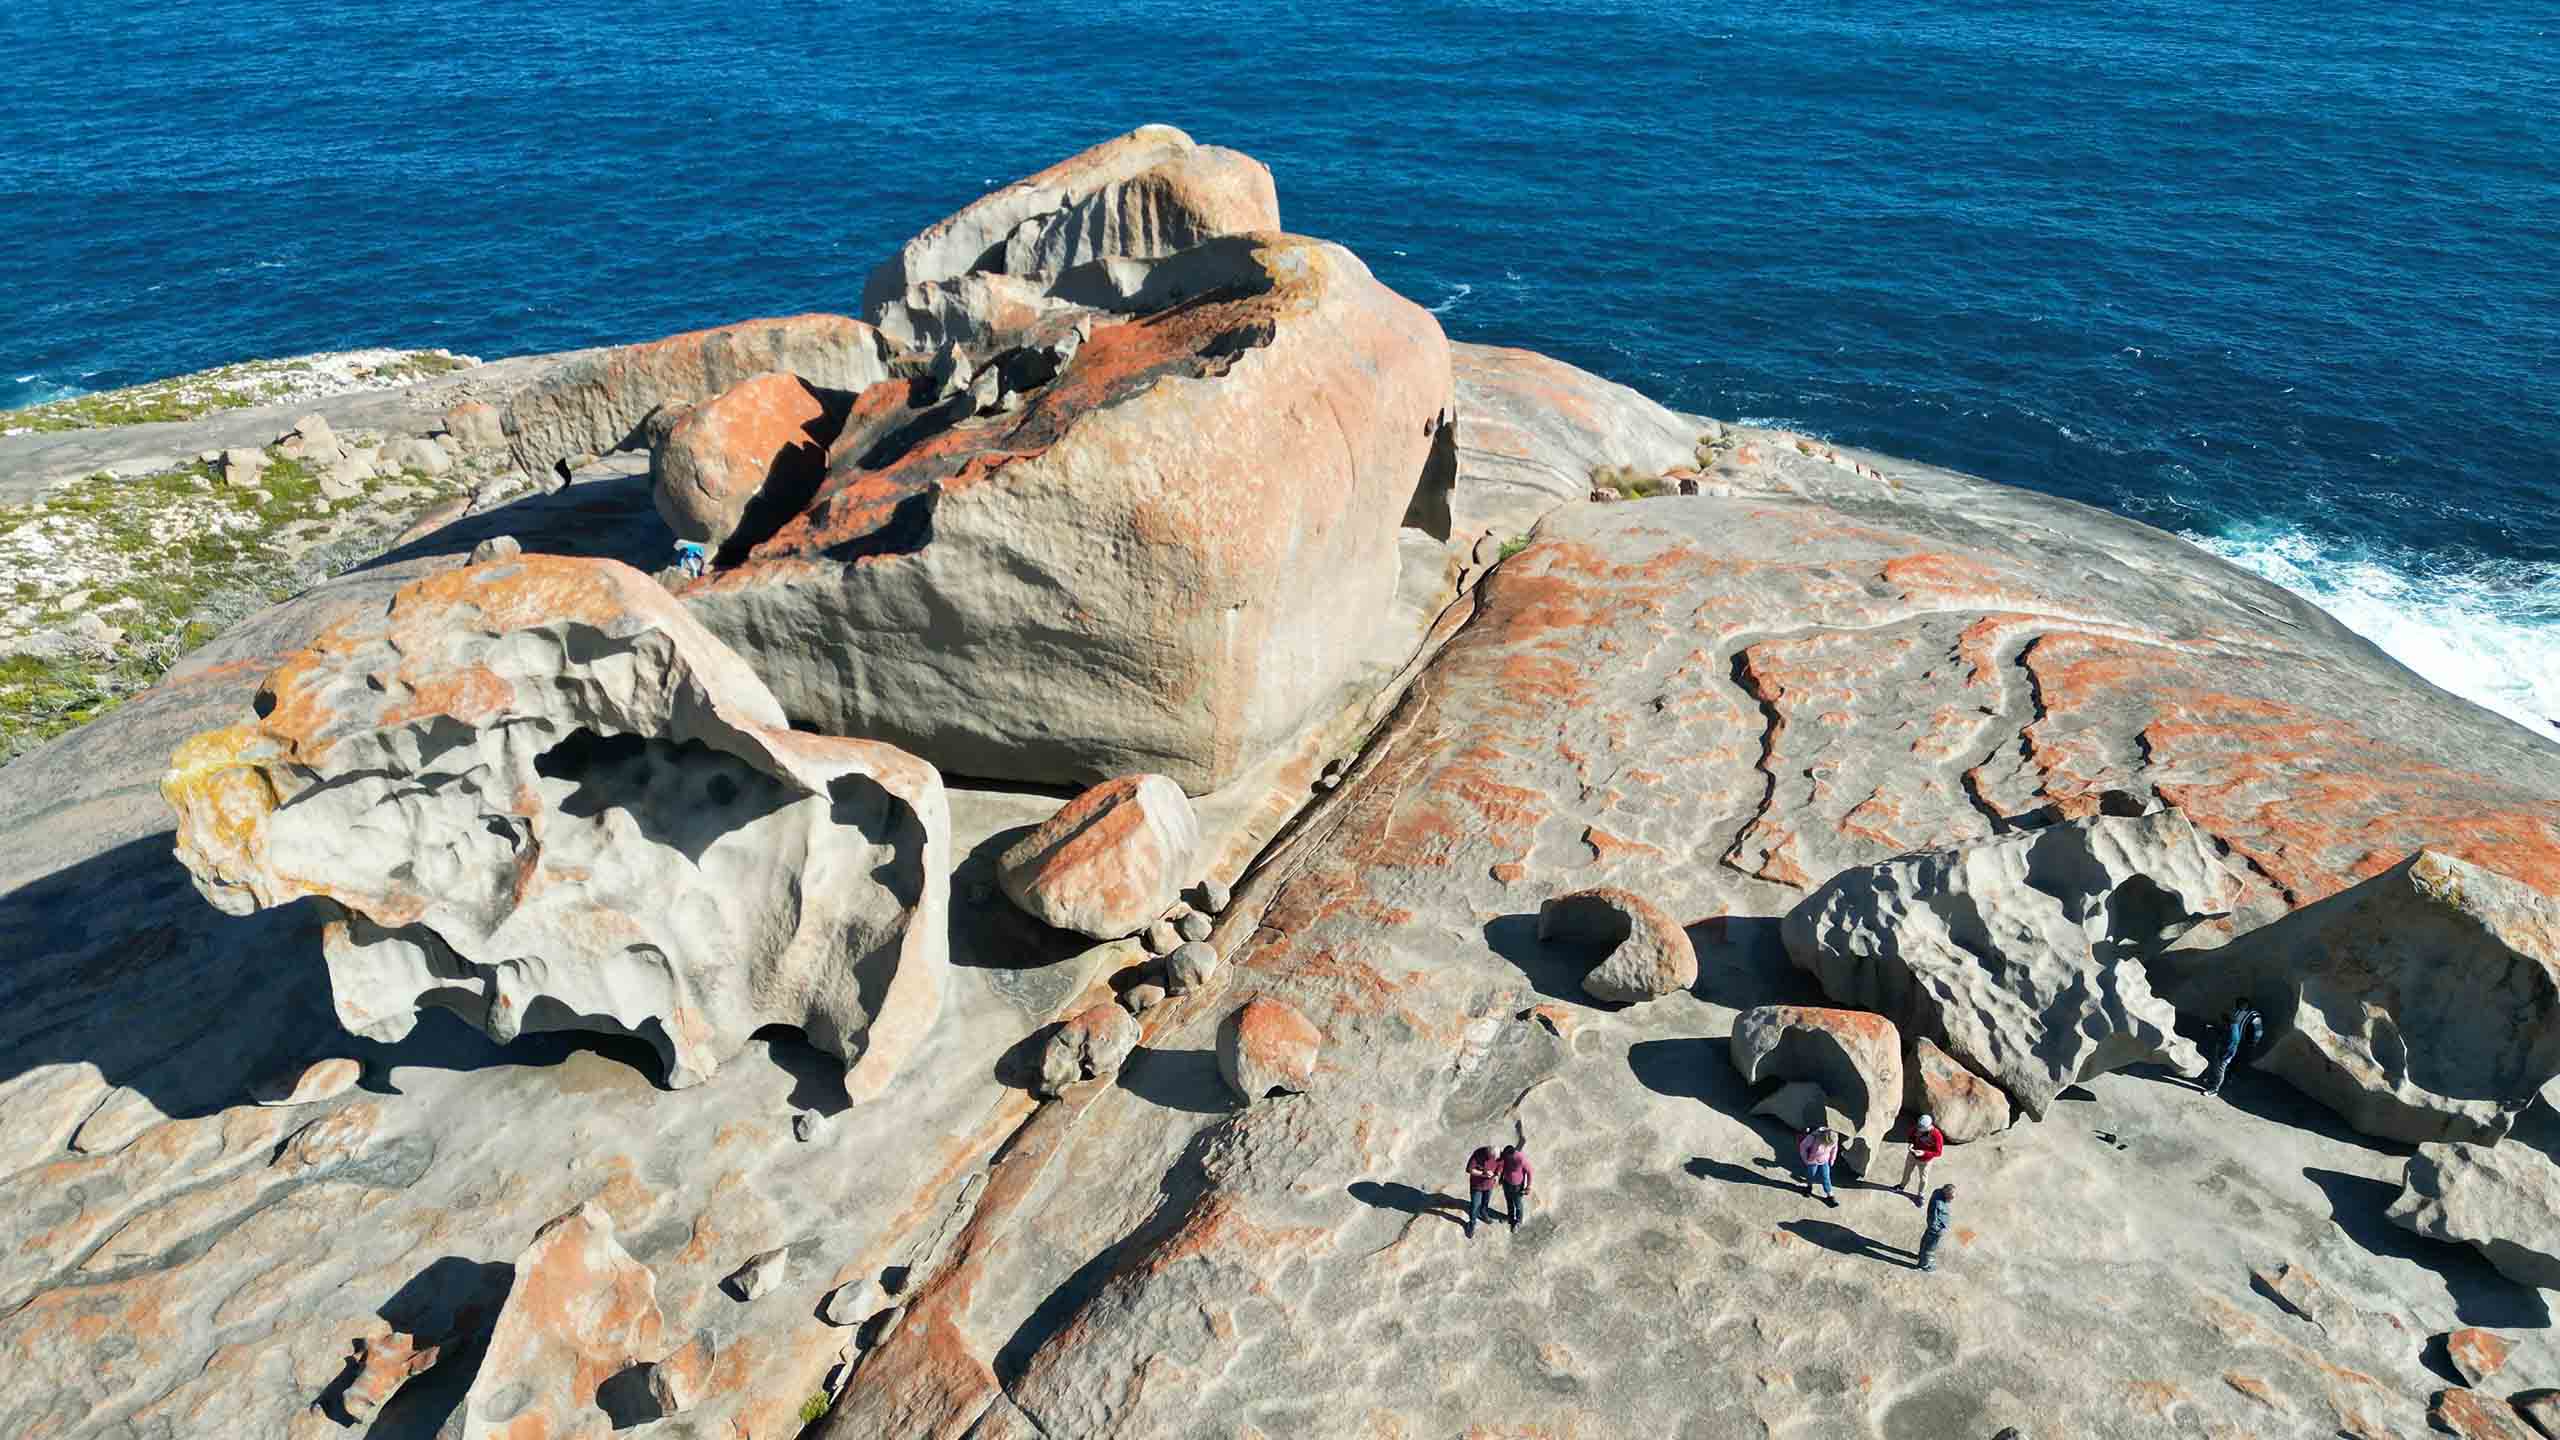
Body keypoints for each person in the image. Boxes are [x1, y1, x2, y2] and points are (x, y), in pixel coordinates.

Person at [2206, 1000, 2264, 1095]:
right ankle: (2220, 1081)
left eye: (2241, 1005)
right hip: (2231, 1040)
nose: (2239, 1006)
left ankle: (2223, 1083)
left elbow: (2258, 1031)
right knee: (2223, 1064)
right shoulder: (2237, 1011)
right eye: (2238, 1005)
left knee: (2229, 1063)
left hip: (2240, 1042)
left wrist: (2252, 1043)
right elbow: (2229, 1024)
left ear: (2247, 1005)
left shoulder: (2254, 1016)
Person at [1899, 1114, 1945, 1204]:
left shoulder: (1937, 1135)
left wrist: (1924, 1153)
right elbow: (1911, 1136)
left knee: (1923, 1179)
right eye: (1918, 1127)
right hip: (1912, 1155)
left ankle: (1920, 1195)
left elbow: (1938, 1152)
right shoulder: (1916, 1128)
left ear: (1929, 1126)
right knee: (1906, 1172)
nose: (1919, 1130)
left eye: (1921, 1128)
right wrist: (1911, 1144)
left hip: (1925, 1161)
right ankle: (1901, 1186)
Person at [1917, 1183, 1957, 1271]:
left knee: (1925, 1240)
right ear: (1945, 1192)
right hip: (1935, 1229)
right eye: (1950, 1196)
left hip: (1933, 1227)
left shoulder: (1938, 1191)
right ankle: (1924, 1265)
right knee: (1930, 1247)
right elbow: (1933, 1218)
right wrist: (1937, 1230)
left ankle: (1921, 1255)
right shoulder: (1937, 1204)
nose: (1952, 1199)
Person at [1798, 1126, 1840, 1207]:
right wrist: (1805, 1159)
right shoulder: (1813, 1137)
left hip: (1825, 1160)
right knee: (1811, 1175)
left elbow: (1834, 1149)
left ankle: (1830, 1195)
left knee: (1826, 1177)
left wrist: (1832, 1159)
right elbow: (1803, 1146)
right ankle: (1809, 1187)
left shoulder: (1834, 1137)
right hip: (1812, 1160)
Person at [1464, 1145, 1500, 1239]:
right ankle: (1471, 1224)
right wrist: (1483, 1173)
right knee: (1475, 1205)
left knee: (1485, 1202)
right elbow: (1469, 1169)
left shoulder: (1498, 1155)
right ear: (1488, 1154)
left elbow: (1500, 1165)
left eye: (1496, 1158)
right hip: (1477, 1186)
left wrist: (1496, 1175)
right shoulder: (1478, 1154)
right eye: (1492, 1158)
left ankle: (1483, 1213)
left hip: (1489, 1185)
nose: (1494, 1159)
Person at [1499, 1144, 1533, 1229]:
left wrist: (1528, 1187)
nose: (1505, 1157)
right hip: (1506, 1182)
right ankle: (1510, 1218)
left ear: (1511, 1154)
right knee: (1509, 1202)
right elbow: (1504, 1167)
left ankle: (1518, 1222)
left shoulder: (1521, 1159)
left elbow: (1530, 1172)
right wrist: (1501, 1177)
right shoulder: (1506, 1156)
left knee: (1518, 1205)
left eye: (1506, 1156)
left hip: (1517, 1186)